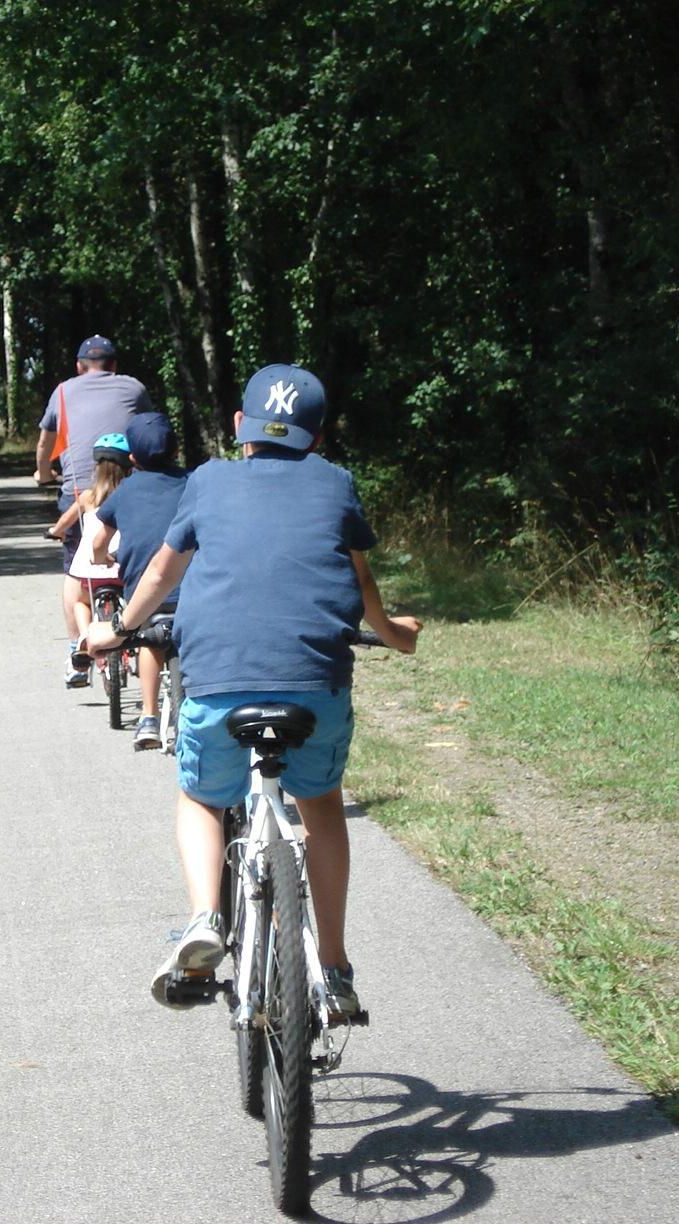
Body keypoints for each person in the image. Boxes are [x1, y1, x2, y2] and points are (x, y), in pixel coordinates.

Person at [84, 363, 421, 1016]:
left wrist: (118, 628)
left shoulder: (207, 480)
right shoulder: (336, 484)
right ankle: (333, 967)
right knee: (319, 802)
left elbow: (161, 569)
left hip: (218, 686)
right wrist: (392, 632)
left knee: (203, 800)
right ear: (316, 439)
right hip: (313, 688)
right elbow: (360, 581)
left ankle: (205, 917)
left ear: (240, 426)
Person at [34, 335, 153, 687]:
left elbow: (45, 442)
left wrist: (43, 473)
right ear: (114, 365)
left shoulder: (63, 392)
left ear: (79, 366)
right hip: (132, 489)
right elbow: (147, 430)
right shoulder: (133, 387)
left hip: (78, 491)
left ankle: (79, 652)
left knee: (75, 574)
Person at [90, 411, 188, 748]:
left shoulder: (126, 490)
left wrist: (101, 559)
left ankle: (148, 716)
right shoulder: (193, 483)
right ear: (176, 451)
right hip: (191, 585)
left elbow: (99, 543)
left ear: (132, 458)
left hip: (144, 589)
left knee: (148, 637)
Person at [64, 434, 132, 666]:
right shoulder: (132, 495)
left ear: (95, 467)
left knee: (80, 602)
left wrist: (56, 530)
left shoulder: (87, 497)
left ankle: (84, 636)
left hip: (94, 574)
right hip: (124, 570)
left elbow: (64, 523)